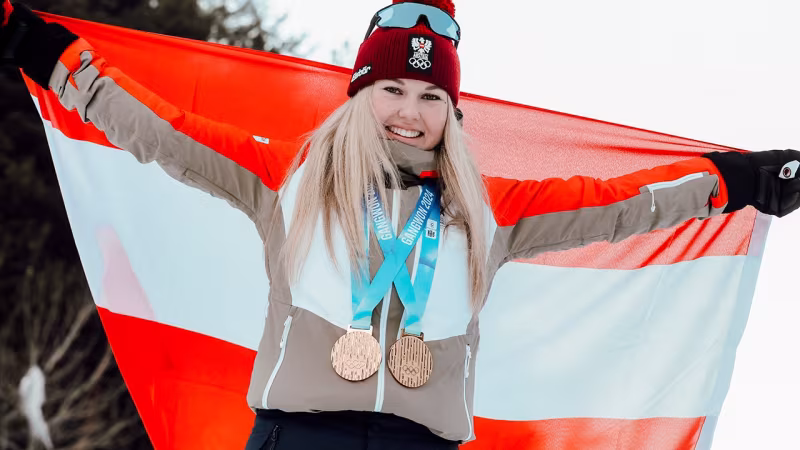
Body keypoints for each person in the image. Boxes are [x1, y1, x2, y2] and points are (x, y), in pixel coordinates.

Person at [2, 0, 800, 448]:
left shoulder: (490, 213)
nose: (409, 113)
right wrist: (50, 54)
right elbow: (160, 130)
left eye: (431, 97)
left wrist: (736, 182)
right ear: (359, 96)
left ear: (453, 111)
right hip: (297, 439)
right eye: (391, 90)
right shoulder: (287, 178)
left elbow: (622, 201)